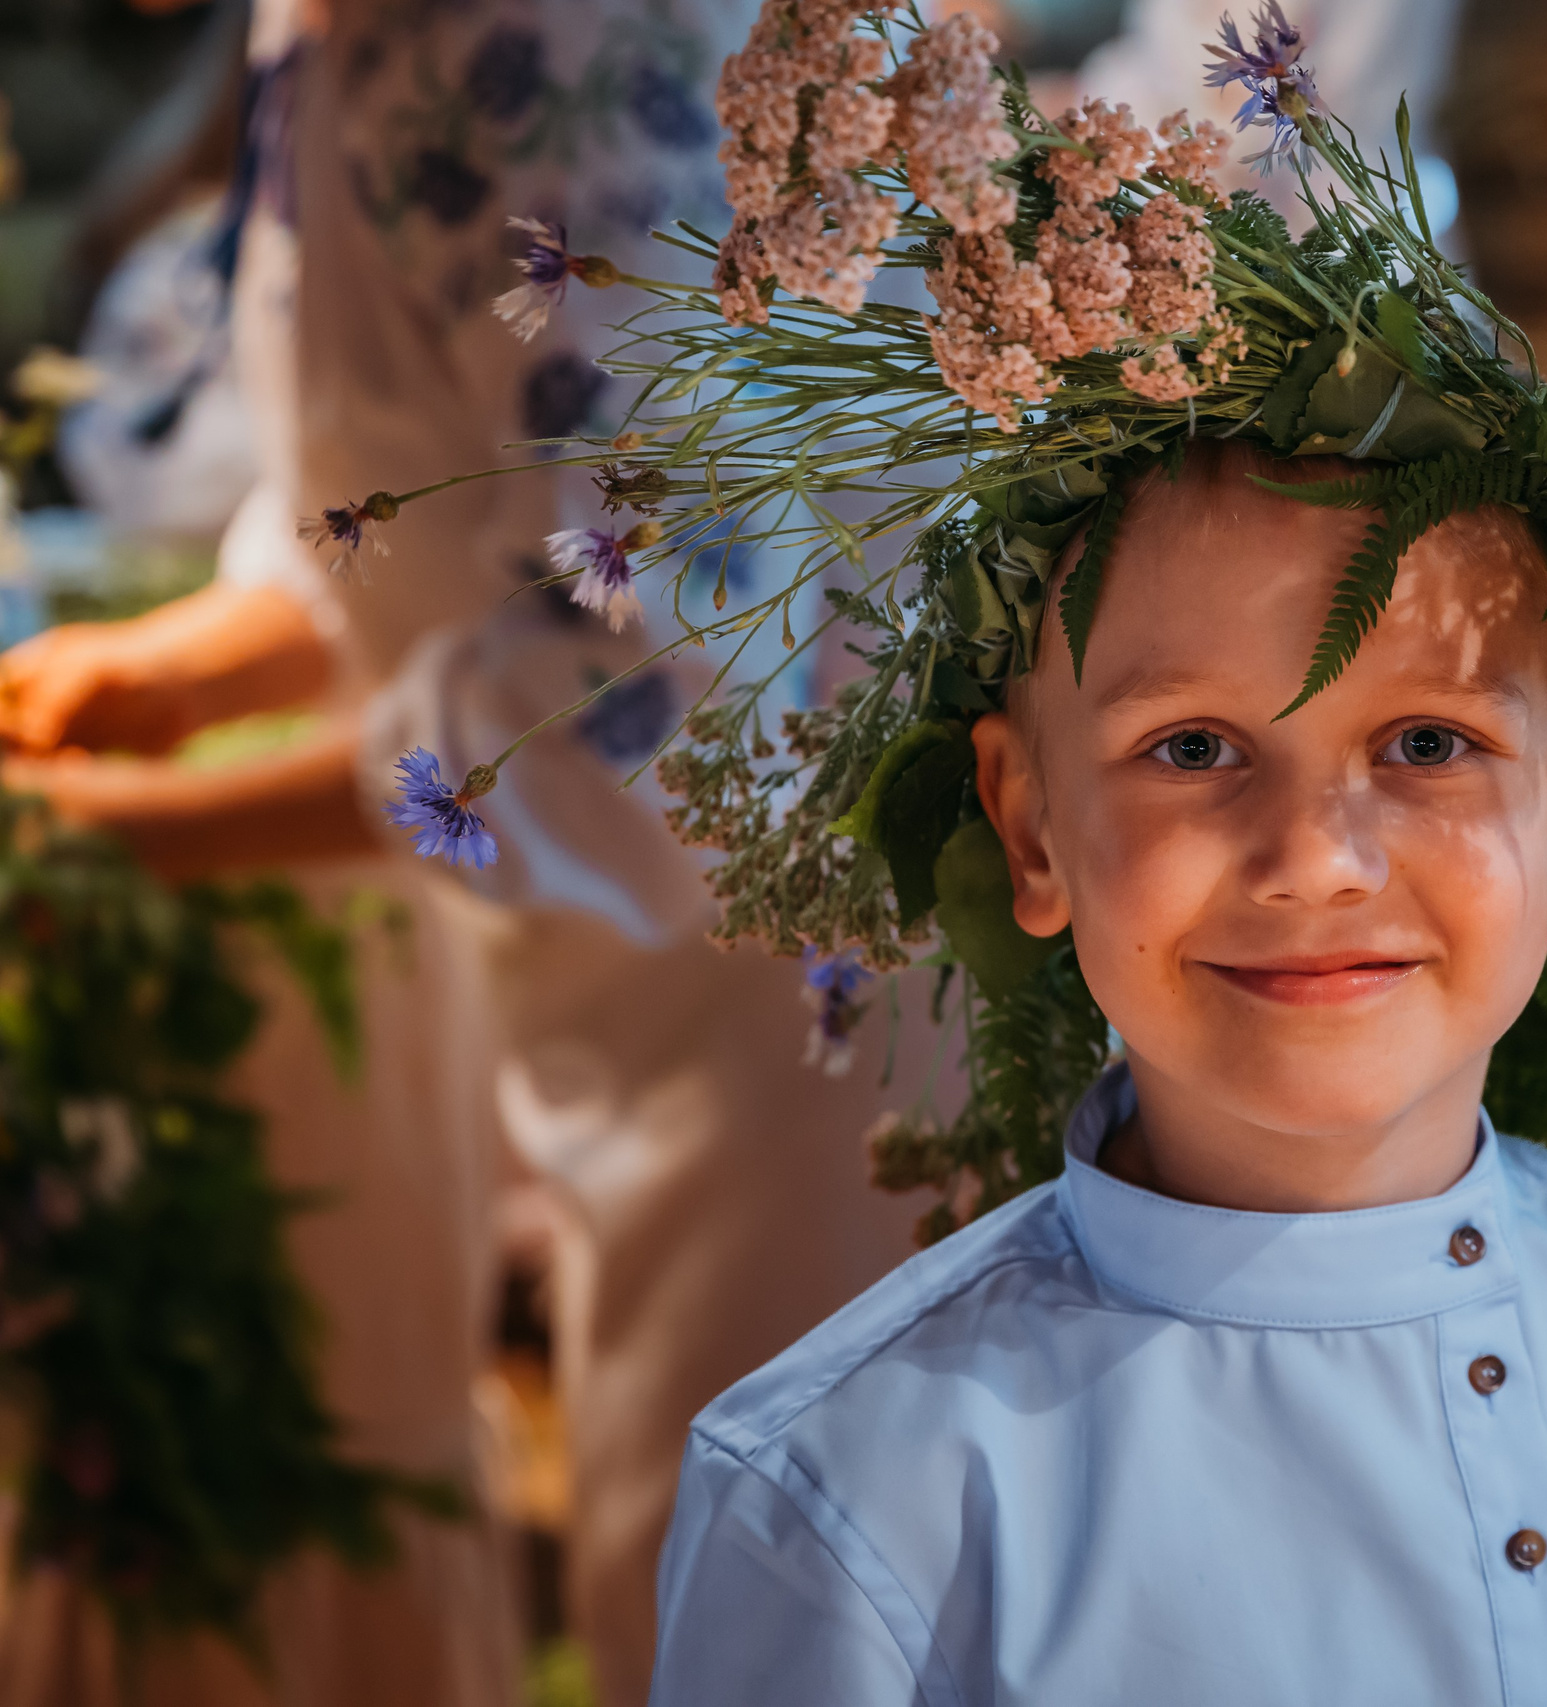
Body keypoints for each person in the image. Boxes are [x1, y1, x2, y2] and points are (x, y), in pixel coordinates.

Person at [646, 442, 1547, 1705]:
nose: (1317, 859)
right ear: (1031, 829)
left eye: (1428, 742)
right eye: (1192, 749)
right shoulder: (842, 1492)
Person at [2, 2, 944, 1701]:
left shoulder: (569, 46)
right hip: (658, 985)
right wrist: (162, 679)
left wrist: (125, 833)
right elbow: (455, 503)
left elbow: (656, 670)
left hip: (810, 997)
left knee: (772, 1608)